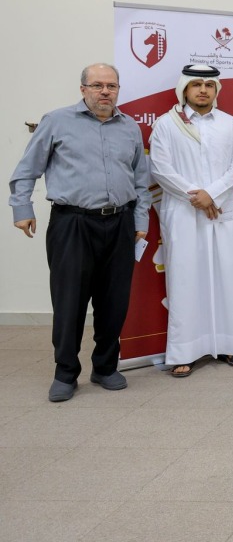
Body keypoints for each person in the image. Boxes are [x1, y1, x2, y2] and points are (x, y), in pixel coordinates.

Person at [9, 63, 151, 402]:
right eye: (98, 85)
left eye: (111, 86)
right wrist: (22, 209)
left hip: (120, 223)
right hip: (72, 223)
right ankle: (65, 372)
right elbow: (27, 170)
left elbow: (140, 180)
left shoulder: (129, 127)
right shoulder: (57, 121)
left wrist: (140, 221)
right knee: (69, 300)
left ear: (118, 90)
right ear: (83, 89)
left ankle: (105, 367)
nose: (105, 91)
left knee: (113, 301)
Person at [149, 65, 233, 377]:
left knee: (229, 278)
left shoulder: (230, 124)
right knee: (185, 280)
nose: (203, 90)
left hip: (222, 210)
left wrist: (213, 194)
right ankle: (185, 351)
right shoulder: (166, 124)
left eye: (209, 84)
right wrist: (196, 196)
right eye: (196, 84)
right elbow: (160, 168)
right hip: (184, 212)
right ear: (185, 89)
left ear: (216, 90)